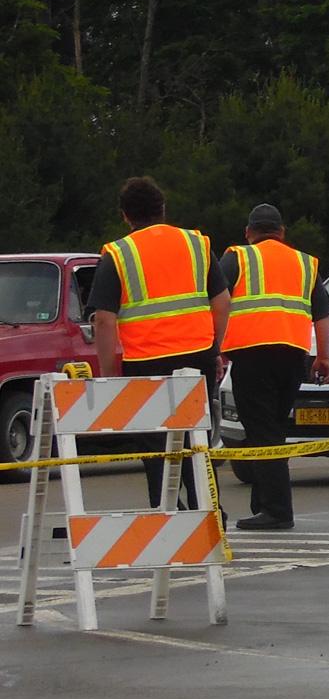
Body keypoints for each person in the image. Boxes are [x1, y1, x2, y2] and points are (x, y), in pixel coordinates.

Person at [88, 177, 230, 510]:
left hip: (146, 362)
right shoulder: (196, 244)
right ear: (163, 208)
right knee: (197, 440)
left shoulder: (118, 254)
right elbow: (222, 302)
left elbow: (105, 320)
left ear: (125, 216)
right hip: (197, 358)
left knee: (156, 447)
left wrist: (111, 376)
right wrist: (214, 348)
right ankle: (209, 516)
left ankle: (167, 515)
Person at [219, 204, 329, 530]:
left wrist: (215, 347)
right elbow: (322, 315)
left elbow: (217, 300)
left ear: (248, 232)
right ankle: (263, 505)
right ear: (282, 233)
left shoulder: (238, 257)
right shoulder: (304, 263)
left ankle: (277, 511)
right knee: (272, 430)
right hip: (293, 358)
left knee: (262, 433)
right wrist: (323, 357)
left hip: (252, 357)